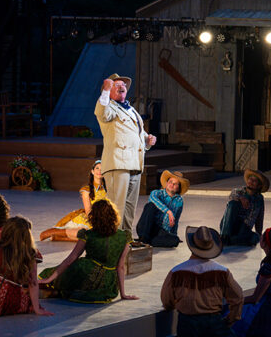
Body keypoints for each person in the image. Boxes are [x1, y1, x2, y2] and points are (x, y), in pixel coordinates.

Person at [38, 199, 138, 303]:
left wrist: (49, 278)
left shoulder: (88, 234)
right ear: (113, 215)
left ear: (93, 217)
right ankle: (58, 292)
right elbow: (120, 267)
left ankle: (52, 286)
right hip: (107, 284)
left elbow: (70, 260)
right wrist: (123, 294)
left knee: (66, 271)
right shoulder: (124, 236)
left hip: (86, 273)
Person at [95, 73, 157, 234]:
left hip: (134, 164)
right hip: (118, 163)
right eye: (116, 85)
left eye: (123, 84)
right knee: (117, 206)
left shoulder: (132, 110)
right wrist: (105, 91)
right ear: (109, 90)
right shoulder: (108, 106)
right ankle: (113, 239)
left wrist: (148, 140)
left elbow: (138, 134)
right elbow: (101, 112)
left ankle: (126, 240)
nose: (122, 86)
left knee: (130, 207)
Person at [40, 160, 107, 242]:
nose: (99, 171)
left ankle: (59, 237)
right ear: (92, 171)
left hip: (104, 218)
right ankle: (54, 232)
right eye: (97, 168)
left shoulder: (107, 189)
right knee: (89, 235)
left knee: (97, 238)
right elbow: (88, 211)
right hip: (91, 218)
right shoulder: (86, 190)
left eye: (102, 169)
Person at [135, 169, 188, 247]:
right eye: (170, 182)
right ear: (166, 183)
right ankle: (143, 238)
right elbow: (153, 200)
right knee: (150, 206)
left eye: (175, 184)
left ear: (178, 188)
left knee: (175, 240)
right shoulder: (156, 193)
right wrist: (168, 211)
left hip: (161, 231)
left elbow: (176, 220)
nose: (172, 185)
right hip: (147, 226)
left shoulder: (179, 201)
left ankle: (148, 241)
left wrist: (173, 235)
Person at [219, 169, 268, 246]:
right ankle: (225, 237)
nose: (251, 181)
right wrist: (240, 198)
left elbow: (259, 217)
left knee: (255, 238)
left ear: (259, 185)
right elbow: (231, 197)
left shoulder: (259, 199)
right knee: (232, 204)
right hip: (230, 225)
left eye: (254, 180)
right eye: (250, 179)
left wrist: (259, 233)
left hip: (244, 228)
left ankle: (230, 240)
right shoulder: (238, 191)